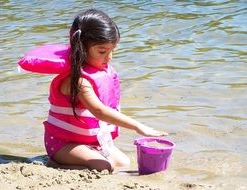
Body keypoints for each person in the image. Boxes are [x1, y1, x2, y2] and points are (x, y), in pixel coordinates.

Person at [44, 9, 168, 172]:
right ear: (80, 47)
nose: (109, 57)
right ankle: (56, 164)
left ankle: (86, 158)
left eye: (112, 50)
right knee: (103, 167)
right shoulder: (79, 81)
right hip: (62, 143)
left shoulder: (99, 74)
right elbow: (99, 111)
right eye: (102, 51)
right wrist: (139, 127)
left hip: (88, 142)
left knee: (124, 162)